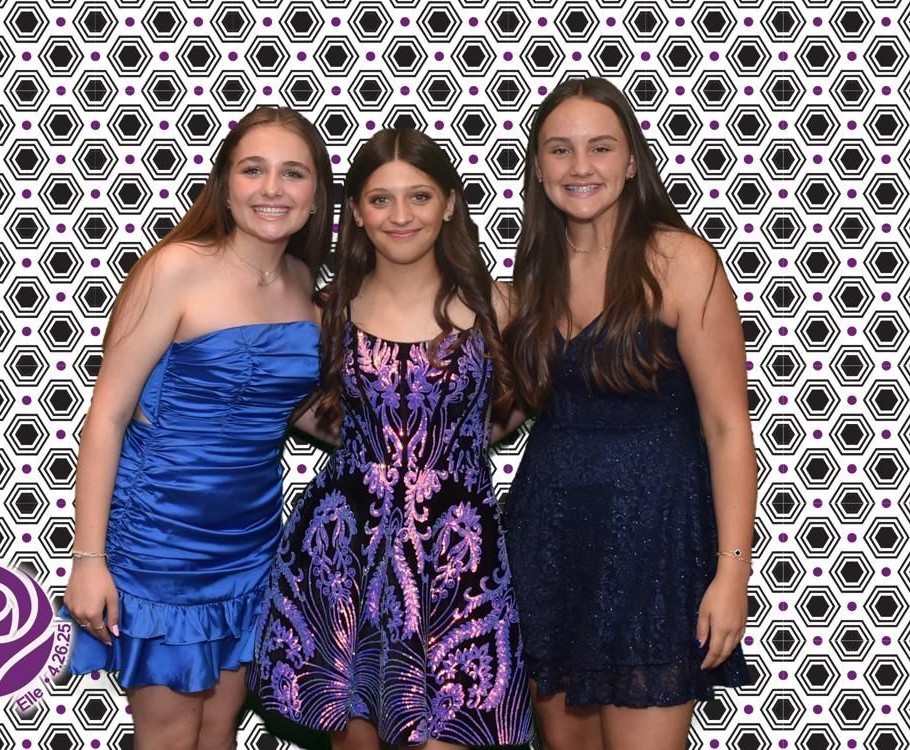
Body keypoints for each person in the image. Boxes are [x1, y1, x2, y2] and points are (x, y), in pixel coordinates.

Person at [248, 128, 534, 749]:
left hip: (458, 552)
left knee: (460, 728)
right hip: (345, 551)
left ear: (451, 202)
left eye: (419, 197)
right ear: (355, 210)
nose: (400, 216)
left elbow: (524, 398)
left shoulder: (500, 306)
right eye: (380, 200)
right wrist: (366, 446)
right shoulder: (324, 309)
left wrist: (452, 445)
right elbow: (285, 399)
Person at [61, 105, 333, 750]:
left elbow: (303, 411)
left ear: (317, 194)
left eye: (292, 173)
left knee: (219, 730)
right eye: (253, 170)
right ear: (225, 182)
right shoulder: (175, 267)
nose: (272, 189)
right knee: (169, 732)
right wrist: (88, 560)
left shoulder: (306, 284)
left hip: (253, 541)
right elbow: (107, 416)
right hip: (161, 540)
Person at [502, 77, 753, 750]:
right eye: (560, 150)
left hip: (657, 544)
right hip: (548, 542)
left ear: (632, 159)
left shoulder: (682, 260)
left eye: (600, 148)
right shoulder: (530, 274)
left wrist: (733, 570)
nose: (580, 167)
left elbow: (729, 429)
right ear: (537, 166)